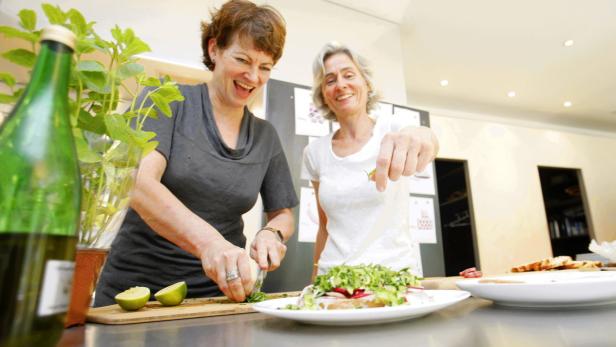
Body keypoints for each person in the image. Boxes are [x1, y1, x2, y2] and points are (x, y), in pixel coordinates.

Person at [94, 0, 298, 306]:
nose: (253, 77)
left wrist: (272, 233)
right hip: (136, 292)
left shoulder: (265, 136)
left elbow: (283, 213)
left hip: (218, 296)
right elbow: (138, 183)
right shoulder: (165, 100)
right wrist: (211, 245)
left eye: (265, 67)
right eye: (243, 60)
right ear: (214, 49)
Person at [302, 42, 440, 279]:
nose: (341, 85)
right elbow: (325, 226)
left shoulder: (394, 128)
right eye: (330, 80)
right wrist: (315, 277)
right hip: (334, 280)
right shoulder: (314, 152)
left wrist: (423, 136)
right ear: (323, 93)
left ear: (366, 82)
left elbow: (426, 138)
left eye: (349, 75)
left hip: (394, 277)